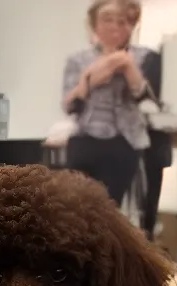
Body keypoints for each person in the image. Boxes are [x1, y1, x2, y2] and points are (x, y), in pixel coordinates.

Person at [61, 0, 158, 205]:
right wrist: (90, 76)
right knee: (76, 207)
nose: (114, 26)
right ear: (94, 24)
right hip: (85, 137)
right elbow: (70, 105)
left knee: (110, 209)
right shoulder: (77, 59)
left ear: (131, 25)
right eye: (107, 19)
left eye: (121, 21)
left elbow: (144, 98)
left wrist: (127, 64)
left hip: (125, 139)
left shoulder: (144, 57)